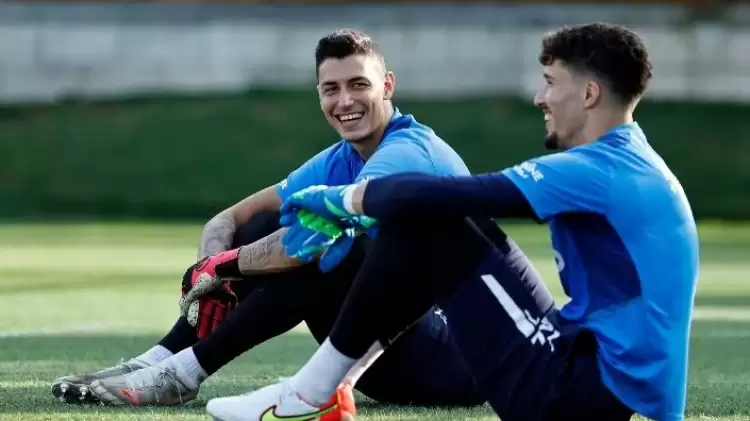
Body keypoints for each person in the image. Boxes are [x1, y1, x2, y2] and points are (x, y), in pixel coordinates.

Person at [206, 22, 699, 421]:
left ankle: (309, 392)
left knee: (430, 216)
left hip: (566, 399)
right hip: (589, 380)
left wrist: (345, 199)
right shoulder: (634, 160)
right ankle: (327, 385)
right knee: (431, 219)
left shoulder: (598, 170)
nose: (539, 98)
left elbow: (462, 194)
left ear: (589, 93)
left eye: (551, 82)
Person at [51, 28, 547, 412]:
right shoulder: (340, 157)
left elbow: (308, 244)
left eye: (359, 85)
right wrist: (212, 270)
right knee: (259, 231)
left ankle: (183, 374)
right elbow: (233, 217)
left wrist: (223, 268)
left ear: (388, 86)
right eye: (331, 89)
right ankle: (160, 360)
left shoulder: (409, 152)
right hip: (381, 350)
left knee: (334, 250)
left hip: (454, 358)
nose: (345, 101)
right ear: (319, 95)